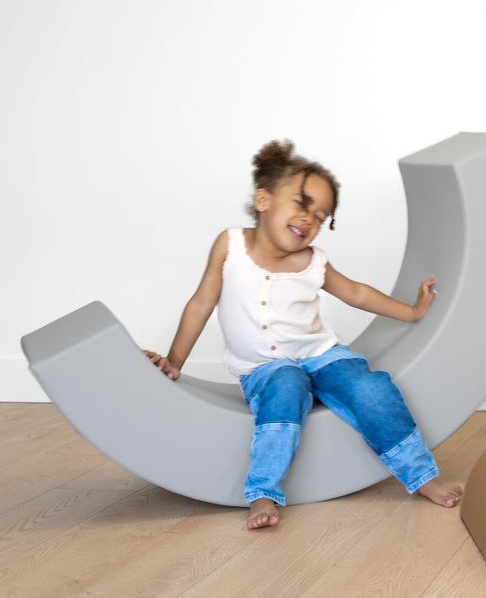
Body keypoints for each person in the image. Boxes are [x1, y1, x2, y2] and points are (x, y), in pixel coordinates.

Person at [143, 139, 462, 529]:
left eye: (322, 214)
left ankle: (421, 476)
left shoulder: (314, 262)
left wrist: (412, 312)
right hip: (264, 367)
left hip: (322, 355)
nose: (310, 218)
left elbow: (357, 293)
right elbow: (200, 304)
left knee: (371, 390)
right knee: (286, 386)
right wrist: (174, 361)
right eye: (301, 203)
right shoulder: (230, 246)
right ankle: (263, 491)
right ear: (263, 200)